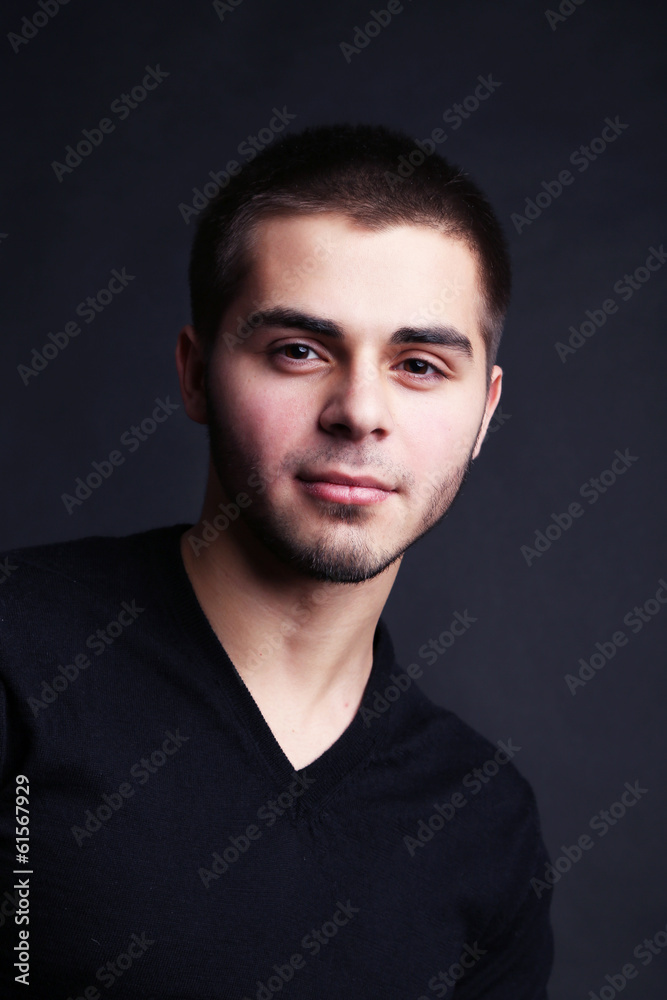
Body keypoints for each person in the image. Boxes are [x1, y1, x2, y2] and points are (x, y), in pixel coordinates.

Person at [0, 123, 553, 997]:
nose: (359, 411)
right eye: (299, 351)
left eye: (418, 364)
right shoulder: (18, 659)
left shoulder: (482, 823)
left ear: (484, 413)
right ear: (194, 375)